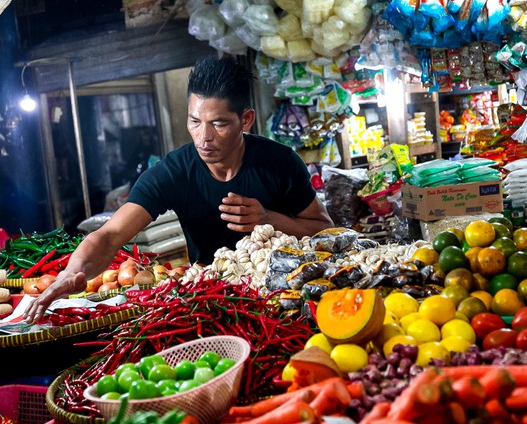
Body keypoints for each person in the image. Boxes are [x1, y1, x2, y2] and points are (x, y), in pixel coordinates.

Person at [24, 54, 334, 323]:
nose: (204, 137)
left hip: (287, 299)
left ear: (246, 120)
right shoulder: (174, 172)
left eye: (219, 123)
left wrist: (269, 219)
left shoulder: (279, 162)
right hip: (214, 301)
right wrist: (70, 273)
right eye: (195, 122)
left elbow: (325, 230)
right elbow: (108, 235)